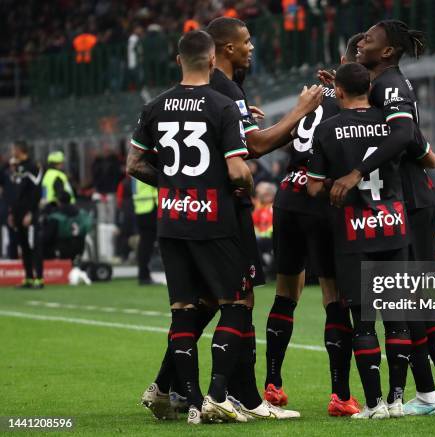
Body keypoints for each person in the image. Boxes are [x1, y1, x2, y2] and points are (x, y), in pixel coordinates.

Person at [322, 19, 435, 413]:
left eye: (368, 39)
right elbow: (410, 138)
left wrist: (355, 172)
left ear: (386, 51)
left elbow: (403, 135)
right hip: (403, 198)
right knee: (411, 297)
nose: (361, 43)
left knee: (408, 300)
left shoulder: (389, 85)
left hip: (410, 202)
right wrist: (425, 152)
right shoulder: (385, 85)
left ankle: (431, 394)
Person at [128, 30, 254, 424]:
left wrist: (174, 186)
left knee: (183, 310)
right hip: (213, 222)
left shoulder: (154, 106)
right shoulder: (222, 105)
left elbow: (134, 164)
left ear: (178, 61)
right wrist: (240, 183)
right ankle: (218, 394)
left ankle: (194, 402)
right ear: (213, 61)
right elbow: (238, 170)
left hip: (172, 222)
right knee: (235, 304)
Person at [307, 62, 435, 419]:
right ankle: (397, 400)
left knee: (363, 321)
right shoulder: (393, 123)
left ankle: (373, 404)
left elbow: (314, 186)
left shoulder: (328, 128)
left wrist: (337, 187)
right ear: (370, 86)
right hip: (394, 227)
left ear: (338, 90)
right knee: (397, 317)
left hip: (354, 232)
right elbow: (428, 157)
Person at [205, 16, 321, 417]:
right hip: (225, 209)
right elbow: (255, 147)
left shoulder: (210, 88)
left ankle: (172, 388)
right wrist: (300, 112)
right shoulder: (225, 86)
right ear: (227, 48)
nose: (252, 47)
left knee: (200, 304)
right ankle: (242, 398)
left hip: (193, 211)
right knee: (240, 298)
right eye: (246, 41)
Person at [264, 33, 364, 416]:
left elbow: (294, 138)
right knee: (333, 296)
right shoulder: (356, 105)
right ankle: (340, 395)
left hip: (288, 196)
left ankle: (272, 385)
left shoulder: (315, 96)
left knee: (286, 293)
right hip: (322, 199)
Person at [8, 140, 44, 289]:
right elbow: (15, 193)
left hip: (29, 214)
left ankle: (39, 278)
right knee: (24, 247)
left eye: (13, 149)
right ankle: (28, 277)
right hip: (17, 213)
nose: (11, 152)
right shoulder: (18, 169)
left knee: (33, 245)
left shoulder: (33, 167)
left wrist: (30, 212)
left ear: (20, 150)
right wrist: (11, 212)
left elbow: (36, 191)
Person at [131, 177, 157, 285]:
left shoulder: (135, 165)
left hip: (141, 208)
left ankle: (143, 274)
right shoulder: (146, 164)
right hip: (151, 206)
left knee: (145, 244)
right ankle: (144, 275)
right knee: (147, 244)